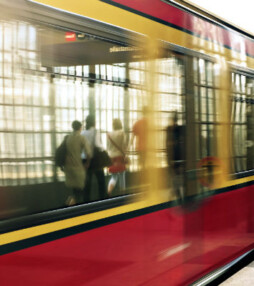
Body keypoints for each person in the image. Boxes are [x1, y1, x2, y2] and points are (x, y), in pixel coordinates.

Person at [64, 120, 91, 205]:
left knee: (74, 190)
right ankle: (69, 206)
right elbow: (88, 152)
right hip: (77, 167)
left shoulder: (68, 138)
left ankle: (69, 203)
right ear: (80, 128)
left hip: (68, 167)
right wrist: (87, 163)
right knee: (79, 191)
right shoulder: (81, 138)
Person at [81, 115, 107, 202]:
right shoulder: (95, 131)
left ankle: (86, 202)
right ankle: (102, 200)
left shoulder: (83, 133)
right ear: (94, 122)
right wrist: (103, 148)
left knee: (87, 183)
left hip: (84, 159)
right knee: (101, 181)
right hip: (95, 160)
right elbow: (97, 144)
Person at [166, 112, 185, 201]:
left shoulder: (169, 129)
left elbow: (167, 145)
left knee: (175, 177)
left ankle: (176, 194)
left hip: (174, 158)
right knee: (176, 177)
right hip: (178, 157)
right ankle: (176, 194)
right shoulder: (180, 129)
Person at [107, 119, 128, 195]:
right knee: (122, 176)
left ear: (113, 125)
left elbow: (108, 147)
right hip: (119, 156)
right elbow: (124, 145)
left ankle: (109, 191)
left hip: (111, 157)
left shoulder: (109, 134)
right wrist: (125, 154)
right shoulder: (122, 133)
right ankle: (123, 193)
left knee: (114, 177)